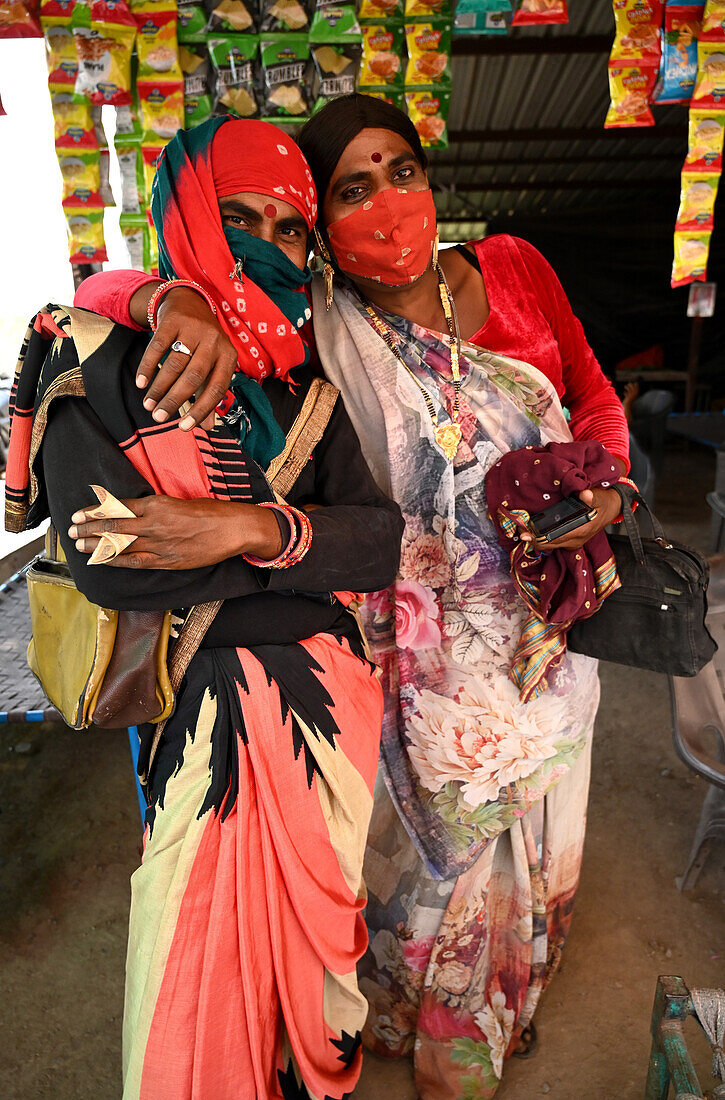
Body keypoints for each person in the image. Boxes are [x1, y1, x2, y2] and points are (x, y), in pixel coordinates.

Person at [74, 96, 630, 1099]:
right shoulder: (317, 321)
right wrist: (168, 301)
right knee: (432, 850)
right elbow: (101, 294)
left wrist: (610, 485)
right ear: (327, 224)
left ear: (430, 176)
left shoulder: (508, 265)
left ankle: (505, 991)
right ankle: (425, 1016)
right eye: (351, 188)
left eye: (401, 171)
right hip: (415, 647)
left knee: (537, 822)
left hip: (545, 619)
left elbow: (592, 393)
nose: (388, 203)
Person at [6, 116, 403, 1100]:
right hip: (199, 728)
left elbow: (384, 538)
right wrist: (310, 560)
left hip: (331, 722)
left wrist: (244, 531)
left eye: (288, 226)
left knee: (315, 981)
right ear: (184, 219)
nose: (265, 244)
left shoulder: (310, 382)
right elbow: (117, 565)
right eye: (237, 217)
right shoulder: (98, 358)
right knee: (192, 982)